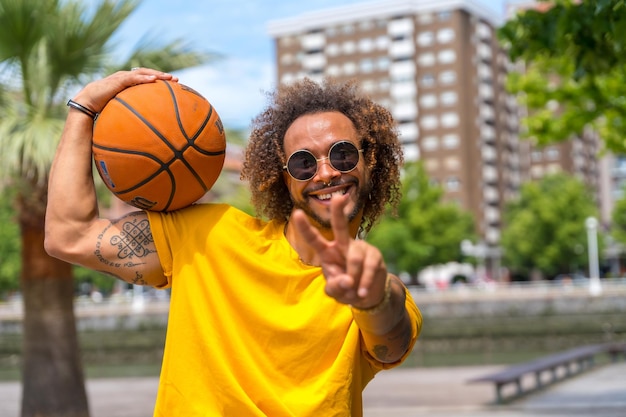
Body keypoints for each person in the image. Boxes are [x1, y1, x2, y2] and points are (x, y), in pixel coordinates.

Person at [45, 68, 422, 416]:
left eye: (342, 154)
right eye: (304, 163)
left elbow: (391, 338)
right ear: (283, 177)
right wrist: (84, 107)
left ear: (370, 161)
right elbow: (68, 235)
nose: (325, 173)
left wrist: (372, 301)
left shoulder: (378, 287)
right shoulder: (207, 235)